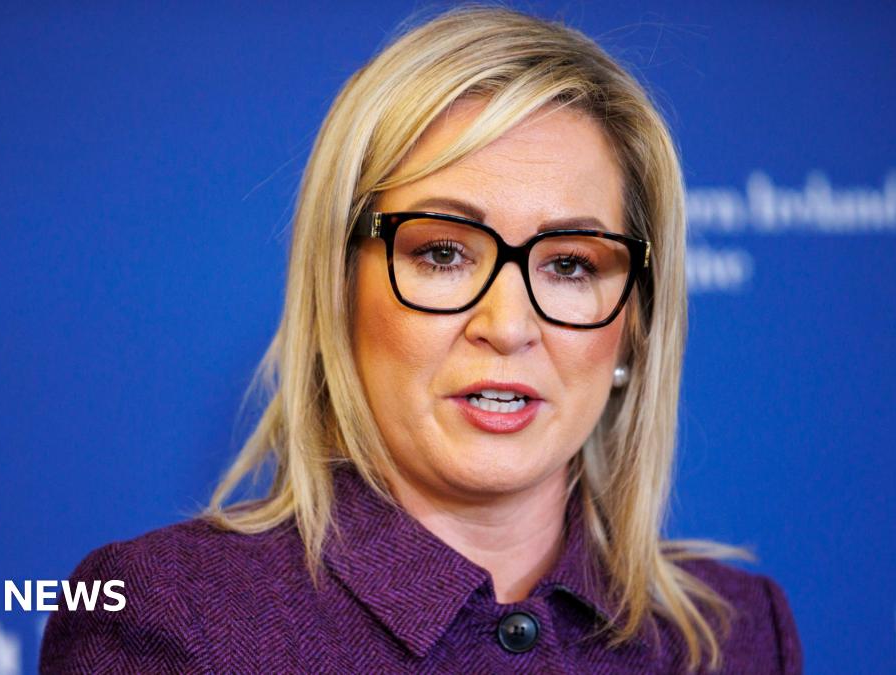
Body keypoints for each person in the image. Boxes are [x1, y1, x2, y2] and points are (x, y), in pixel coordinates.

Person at [40, 6, 802, 673]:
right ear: (339, 288)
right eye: (442, 252)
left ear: (633, 322)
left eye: (571, 264)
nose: (506, 326)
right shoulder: (172, 619)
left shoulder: (737, 635)